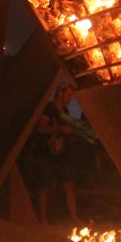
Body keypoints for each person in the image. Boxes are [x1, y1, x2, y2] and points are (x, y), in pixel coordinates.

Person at [34, 84, 79, 224]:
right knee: (44, 186)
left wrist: (72, 134)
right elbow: (41, 128)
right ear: (60, 93)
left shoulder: (65, 111)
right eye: (68, 95)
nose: (70, 98)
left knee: (69, 184)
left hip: (62, 154)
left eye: (71, 95)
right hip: (46, 154)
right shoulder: (49, 108)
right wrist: (58, 128)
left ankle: (74, 218)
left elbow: (69, 131)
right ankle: (43, 219)